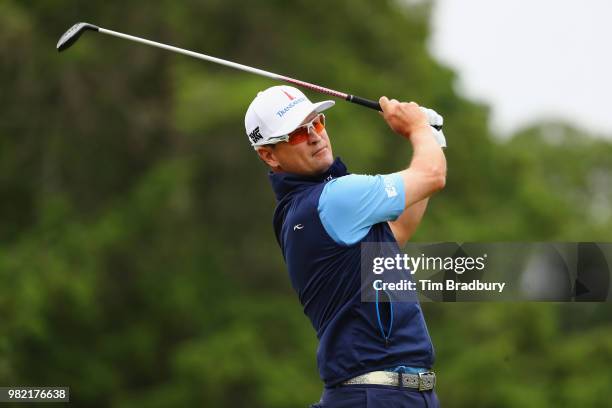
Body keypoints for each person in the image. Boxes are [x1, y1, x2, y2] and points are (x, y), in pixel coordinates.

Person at [244, 85, 446, 408]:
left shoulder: (302, 209)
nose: (314, 136)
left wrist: (430, 140)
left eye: (317, 123)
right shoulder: (335, 198)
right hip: (379, 396)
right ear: (269, 155)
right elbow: (432, 175)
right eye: (296, 134)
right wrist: (418, 129)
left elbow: (399, 231)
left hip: (388, 395)